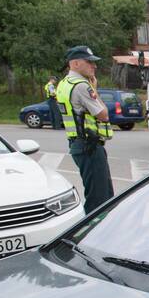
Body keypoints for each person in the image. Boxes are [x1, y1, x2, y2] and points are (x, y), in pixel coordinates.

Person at [56, 46, 114, 212]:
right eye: (89, 62)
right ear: (75, 63)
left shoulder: (64, 83)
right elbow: (103, 114)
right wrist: (94, 89)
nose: (94, 66)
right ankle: (91, 234)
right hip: (90, 146)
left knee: (98, 194)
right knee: (100, 199)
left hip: (78, 144)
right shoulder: (82, 86)